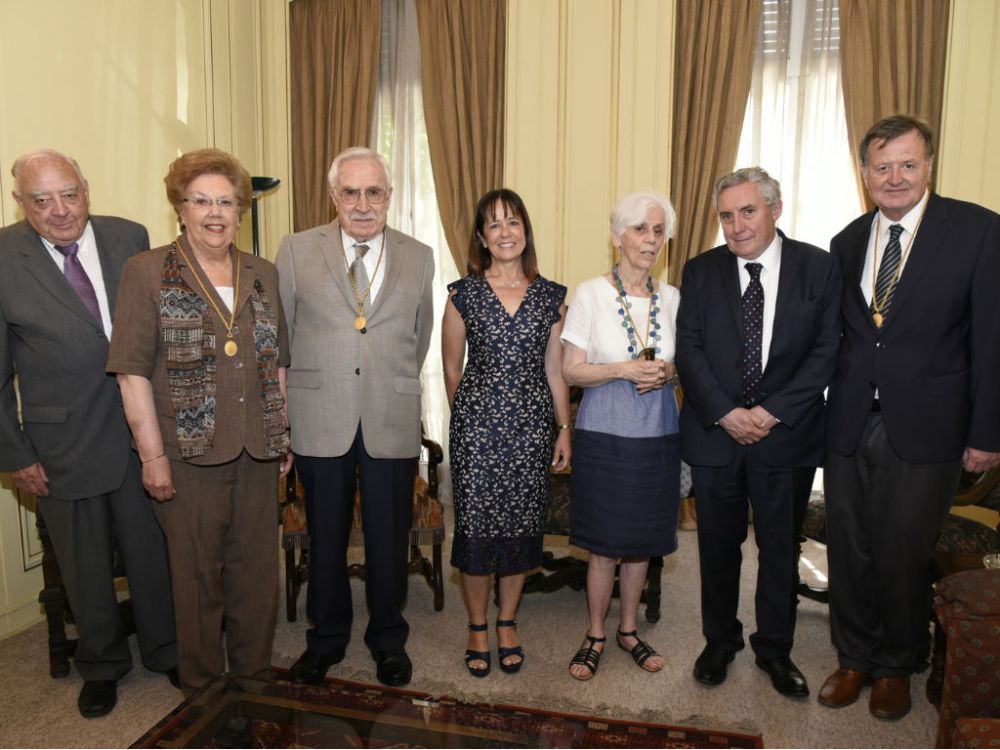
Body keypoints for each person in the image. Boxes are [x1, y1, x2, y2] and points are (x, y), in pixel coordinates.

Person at [820, 115, 1000, 720]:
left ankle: (897, 663)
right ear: (865, 172)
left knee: (901, 549)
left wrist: (986, 433)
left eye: (907, 164)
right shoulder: (845, 242)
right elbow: (845, 339)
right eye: (882, 165)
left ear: (929, 166)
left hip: (929, 425)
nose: (894, 177)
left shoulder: (977, 230)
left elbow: (993, 340)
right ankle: (854, 657)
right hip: (847, 421)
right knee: (848, 546)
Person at [107, 148, 292, 693]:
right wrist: (153, 456)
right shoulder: (147, 271)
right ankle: (207, 690)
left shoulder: (264, 273)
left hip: (258, 451)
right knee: (196, 581)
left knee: (257, 578)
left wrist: (282, 436)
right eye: (201, 200)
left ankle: (255, 680)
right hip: (187, 456)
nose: (215, 212)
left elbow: (276, 361)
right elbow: (131, 374)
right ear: (181, 208)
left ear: (241, 212)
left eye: (227, 202)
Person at [0, 149, 177, 718]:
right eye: (41, 199)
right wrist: (14, 452)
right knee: (84, 566)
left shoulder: (131, 236)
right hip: (60, 443)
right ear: (20, 204)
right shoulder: (4, 256)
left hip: (138, 431)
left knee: (153, 551)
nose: (58, 210)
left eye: (68, 194)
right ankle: (101, 664)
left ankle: (166, 649)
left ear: (87, 189)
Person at [675, 167, 841, 699]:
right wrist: (726, 413)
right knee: (718, 548)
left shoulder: (819, 267)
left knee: (778, 548)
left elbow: (827, 352)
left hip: (785, 435)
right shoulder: (701, 271)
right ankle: (720, 641)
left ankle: (775, 649)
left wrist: (769, 413)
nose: (737, 225)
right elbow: (690, 349)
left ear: (775, 209)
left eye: (748, 211)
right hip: (714, 434)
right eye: (727, 215)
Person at [276, 146, 434, 688]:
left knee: (391, 537)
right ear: (333, 196)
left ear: (389, 196)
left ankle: (388, 638)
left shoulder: (419, 254)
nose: (363, 204)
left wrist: (386, 383)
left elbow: (420, 335)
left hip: (390, 415)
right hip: (320, 414)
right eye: (351, 192)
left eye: (374, 192)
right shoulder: (296, 251)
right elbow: (283, 338)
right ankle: (325, 640)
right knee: (326, 536)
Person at [442, 189, 571, 678]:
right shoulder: (463, 295)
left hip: (533, 431)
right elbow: (452, 370)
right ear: (481, 237)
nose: (504, 232)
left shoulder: (553, 297)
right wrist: (472, 424)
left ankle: (508, 620)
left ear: (526, 230)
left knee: (520, 529)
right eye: (493, 225)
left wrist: (564, 429)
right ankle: (478, 626)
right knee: (476, 531)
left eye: (512, 222)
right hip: (477, 432)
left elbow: (556, 371)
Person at [560, 191, 680, 681]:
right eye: (639, 229)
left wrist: (668, 372)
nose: (650, 239)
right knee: (605, 541)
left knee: (642, 540)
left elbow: (682, 364)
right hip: (605, 431)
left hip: (658, 431)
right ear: (617, 238)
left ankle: (629, 630)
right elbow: (572, 372)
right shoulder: (590, 293)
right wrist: (624, 370)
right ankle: (595, 632)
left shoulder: (673, 298)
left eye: (658, 231)